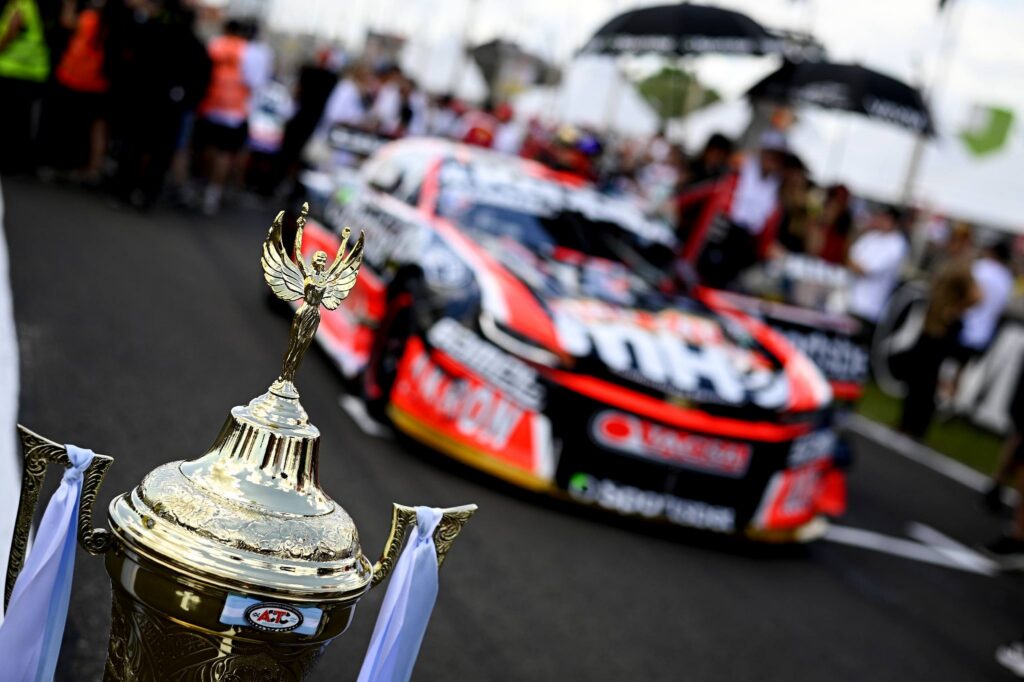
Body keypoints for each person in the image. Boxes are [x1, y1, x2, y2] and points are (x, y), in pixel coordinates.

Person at [107, 0, 210, 209]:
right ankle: (146, 193)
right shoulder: (193, 45)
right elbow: (201, 82)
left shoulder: (151, 32)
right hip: (166, 107)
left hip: (147, 102)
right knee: (157, 153)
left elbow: (130, 62)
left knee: (136, 147)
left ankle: (127, 190)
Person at [691, 130, 787, 287]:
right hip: (718, 238)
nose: (773, 161)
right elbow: (708, 192)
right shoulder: (738, 172)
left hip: (742, 249)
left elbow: (766, 231)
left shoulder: (776, 191)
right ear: (762, 153)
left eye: (778, 158)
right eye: (771, 155)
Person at [897, 257, 979, 438]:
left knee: (927, 381)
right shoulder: (949, 268)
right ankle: (907, 422)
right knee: (917, 378)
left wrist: (956, 309)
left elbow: (977, 296)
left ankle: (917, 427)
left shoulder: (962, 272)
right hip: (932, 326)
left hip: (942, 331)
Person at [194, 19, 268, 214]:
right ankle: (213, 193)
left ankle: (203, 185)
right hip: (234, 112)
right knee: (224, 154)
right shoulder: (250, 52)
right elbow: (255, 83)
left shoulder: (216, 44)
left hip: (210, 106)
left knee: (209, 149)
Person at [48, 0, 112, 181]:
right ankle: (91, 167)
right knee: (91, 127)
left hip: (76, 77)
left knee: (71, 125)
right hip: (96, 81)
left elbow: (67, 22)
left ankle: (67, 164)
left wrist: (69, 4)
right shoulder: (110, 21)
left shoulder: (90, 18)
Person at [0, 0, 50, 174]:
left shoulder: (22, 4)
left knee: (13, 119)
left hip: (18, 70)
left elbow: (11, 32)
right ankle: (18, 163)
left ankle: (14, 162)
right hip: (26, 71)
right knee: (19, 119)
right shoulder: (27, 4)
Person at [846, 205, 909, 331]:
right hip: (849, 302)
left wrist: (852, 263)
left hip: (868, 310)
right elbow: (848, 257)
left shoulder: (897, 244)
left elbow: (864, 269)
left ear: (892, 221)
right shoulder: (872, 236)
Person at [811, 185, 853, 264]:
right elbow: (813, 252)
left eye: (834, 208)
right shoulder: (817, 226)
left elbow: (845, 260)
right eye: (828, 207)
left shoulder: (844, 235)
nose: (828, 212)